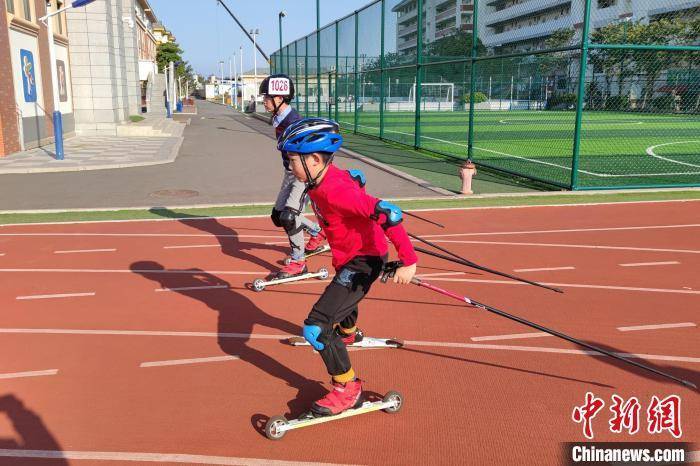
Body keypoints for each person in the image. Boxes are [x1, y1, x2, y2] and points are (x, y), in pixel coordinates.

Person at [278, 117, 417, 416]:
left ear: (315, 159)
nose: (290, 167)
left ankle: (347, 388)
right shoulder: (321, 180)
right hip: (352, 259)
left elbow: (389, 213)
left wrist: (409, 261)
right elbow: (354, 179)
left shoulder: (334, 190)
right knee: (341, 295)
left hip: (363, 261)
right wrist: (357, 181)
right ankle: (349, 334)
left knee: (315, 328)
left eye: (293, 160)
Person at [259, 74, 327, 279]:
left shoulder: (294, 122)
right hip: (291, 171)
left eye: (267, 97)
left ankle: (298, 261)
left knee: (289, 216)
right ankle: (316, 231)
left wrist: (309, 178)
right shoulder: (279, 118)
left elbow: (311, 153)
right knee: (278, 216)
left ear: (280, 99)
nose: (263, 101)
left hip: (303, 174)